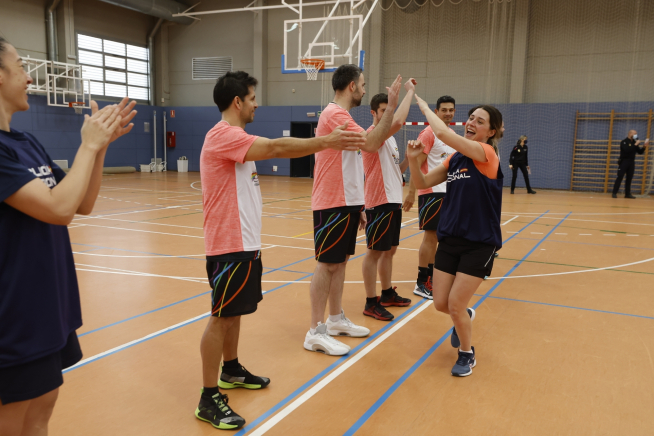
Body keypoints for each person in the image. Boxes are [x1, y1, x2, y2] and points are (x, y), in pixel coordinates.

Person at [197, 71, 366, 430]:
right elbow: (275, 147)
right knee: (221, 316)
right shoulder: (223, 135)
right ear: (237, 101)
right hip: (228, 245)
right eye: (253, 97)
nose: (258, 103)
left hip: (244, 243)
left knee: (235, 312)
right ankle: (208, 396)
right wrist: (325, 141)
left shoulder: (236, 137)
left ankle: (231, 369)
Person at [0, 37, 137, 436]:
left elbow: (82, 202)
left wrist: (99, 148)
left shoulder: (27, 143)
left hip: (48, 307)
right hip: (14, 317)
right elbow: (57, 210)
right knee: (12, 421)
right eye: (21, 66)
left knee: (42, 409)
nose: (29, 77)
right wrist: (87, 145)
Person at [305, 66, 402, 356]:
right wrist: (392, 105)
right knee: (327, 265)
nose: (363, 88)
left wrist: (358, 205)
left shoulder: (343, 116)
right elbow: (372, 143)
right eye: (361, 84)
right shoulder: (335, 114)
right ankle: (315, 331)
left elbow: (349, 166)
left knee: (341, 262)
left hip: (346, 203)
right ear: (350, 86)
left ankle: (335, 320)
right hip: (330, 203)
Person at [407, 94, 504, 377]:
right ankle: (464, 317)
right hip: (450, 240)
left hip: (479, 243)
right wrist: (414, 160)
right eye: (471, 118)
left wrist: (423, 106)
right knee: (440, 303)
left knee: (455, 305)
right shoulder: (455, 159)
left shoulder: (486, 154)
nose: (472, 122)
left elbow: (440, 132)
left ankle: (466, 353)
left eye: (480, 121)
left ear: (491, 131)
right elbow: (423, 182)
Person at [361, 87, 416, 322]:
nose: (388, 115)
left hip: (392, 200)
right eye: (384, 111)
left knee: (390, 251)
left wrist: (409, 159)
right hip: (378, 201)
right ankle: (370, 302)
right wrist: (410, 92)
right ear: (374, 113)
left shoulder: (390, 139)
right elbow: (400, 120)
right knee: (374, 252)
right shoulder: (374, 133)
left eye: (389, 111)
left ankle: (386, 294)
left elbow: (397, 170)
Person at [403, 96, 457, 300]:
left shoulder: (450, 134)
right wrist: (411, 193)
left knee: (441, 238)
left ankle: (433, 278)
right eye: (444, 110)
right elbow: (416, 163)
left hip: (447, 193)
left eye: (451, 110)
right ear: (435, 112)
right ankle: (421, 281)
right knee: (431, 236)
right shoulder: (428, 133)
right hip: (431, 193)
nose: (448, 113)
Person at [612, 130, 648, 198]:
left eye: (636, 134)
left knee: (629, 178)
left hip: (631, 162)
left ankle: (627, 194)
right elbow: (627, 150)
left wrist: (644, 147)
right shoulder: (624, 142)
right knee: (620, 177)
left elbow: (640, 152)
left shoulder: (634, 142)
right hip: (624, 162)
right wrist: (635, 144)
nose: (636, 135)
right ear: (630, 134)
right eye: (635, 134)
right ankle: (614, 193)